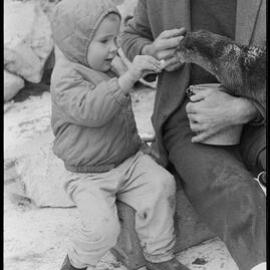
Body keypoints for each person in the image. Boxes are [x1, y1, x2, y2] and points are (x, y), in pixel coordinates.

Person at [120, 0, 266, 270]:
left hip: (260, 111)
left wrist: (247, 108)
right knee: (231, 189)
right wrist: (149, 51)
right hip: (189, 118)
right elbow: (131, 36)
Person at [49, 0, 191, 269]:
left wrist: (143, 67)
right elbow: (93, 110)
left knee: (161, 184)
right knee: (103, 229)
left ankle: (159, 256)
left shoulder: (105, 63)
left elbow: (121, 104)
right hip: (89, 172)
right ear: (77, 42)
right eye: (104, 40)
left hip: (127, 158)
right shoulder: (65, 78)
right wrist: (129, 77)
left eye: (115, 39)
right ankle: (76, 262)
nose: (114, 48)